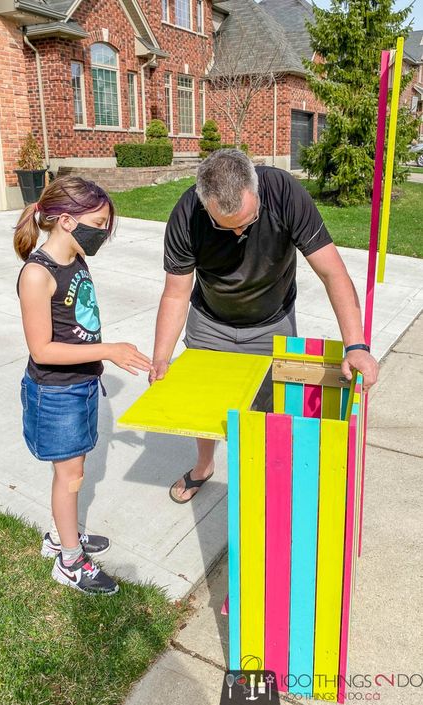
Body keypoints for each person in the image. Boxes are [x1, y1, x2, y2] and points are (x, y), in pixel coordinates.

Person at [149, 149, 379, 503]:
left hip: (273, 320)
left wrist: (356, 345)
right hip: (210, 319)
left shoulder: (284, 192)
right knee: (208, 402)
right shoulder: (186, 214)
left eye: (247, 220)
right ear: (204, 204)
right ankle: (204, 465)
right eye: (226, 227)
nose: (239, 232)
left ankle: (266, 476)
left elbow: (332, 272)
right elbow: (176, 294)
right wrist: (161, 357)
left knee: (270, 408)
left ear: (256, 189)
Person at [14, 176, 151, 594]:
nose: (105, 232)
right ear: (68, 222)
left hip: (82, 386)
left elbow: (77, 323)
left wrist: (99, 355)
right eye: (100, 222)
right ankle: (69, 561)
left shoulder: (75, 257)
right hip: (56, 393)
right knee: (69, 475)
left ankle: (63, 533)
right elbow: (42, 350)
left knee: (75, 470)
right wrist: (108, 350)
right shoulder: (37, 275)